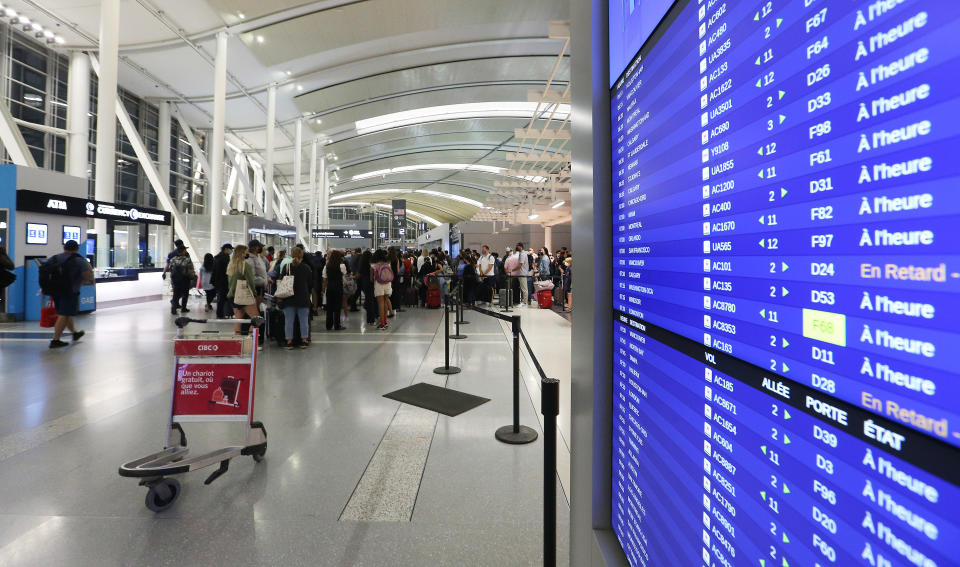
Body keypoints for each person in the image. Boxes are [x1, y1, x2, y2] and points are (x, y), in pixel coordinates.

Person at [45, 240, 93, 349]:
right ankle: (55, 340)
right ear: (77, 249)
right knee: (64, 314)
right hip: (70, 291)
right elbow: (87, 276)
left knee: (65, 313)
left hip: (55, 290)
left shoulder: (54, 258)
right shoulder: (79, 260)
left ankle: (74, 333)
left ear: (64, 248)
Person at [278, 247, 314, 349]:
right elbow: (310, 283)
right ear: (302, 255)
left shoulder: (286, 267)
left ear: (291, 254)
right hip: (303, 297)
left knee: (289, 321)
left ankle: (289, 341)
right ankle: (304, 340)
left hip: (288, 298)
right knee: (303, 321)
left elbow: (280, 281)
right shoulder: (306, 268)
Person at [227, 244, 260, 337]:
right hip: (243, 295)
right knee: (257, 319)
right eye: (246, 252)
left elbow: (229, 283)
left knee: (238, 320)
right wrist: (254, 294)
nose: (247, 254)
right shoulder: (245, 266)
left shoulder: (231, 265)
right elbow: (251, 282)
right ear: (242, 253)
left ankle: (238, 342)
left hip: (232, 296)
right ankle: (250, 341)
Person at [167, 243, 196, 315]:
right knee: (185, 294)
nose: (186, 251)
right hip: (185, 279)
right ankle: (183, 308)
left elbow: (170, 269)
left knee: (176, 294)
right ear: (183, 251)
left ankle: (173, 309)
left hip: (175, 279)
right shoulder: (187, 260)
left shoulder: (173, 259)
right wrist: (192, 278)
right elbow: (190, 270)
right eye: (185, 250)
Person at [322, 249, 346, 331]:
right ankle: (337, 325)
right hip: (338, 287)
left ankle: (328, 325)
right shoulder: (342, 266)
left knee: (329, 307)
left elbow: (324, 280)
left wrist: (323, 290)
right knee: (337, 307)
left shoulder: (326, 266)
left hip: (330, 288)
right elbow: (344, 276)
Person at [371, 249, 394, 329]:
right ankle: (385, 321)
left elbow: (372, 278)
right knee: (385, 301)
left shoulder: (374, 265)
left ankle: (382, 323)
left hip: (379, 284)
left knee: (380, 303)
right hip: (388, 283)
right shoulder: (388, 263)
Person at [211, 243, 233, 318]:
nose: (231, 251)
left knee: (221, 298)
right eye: (230, 249)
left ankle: (221, 313)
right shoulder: (225, 258)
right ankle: (221, 314)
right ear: (226, 249)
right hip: (223, 281)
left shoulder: (216, 257)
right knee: (222, 298)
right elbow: (226, 271)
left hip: (217, 281)